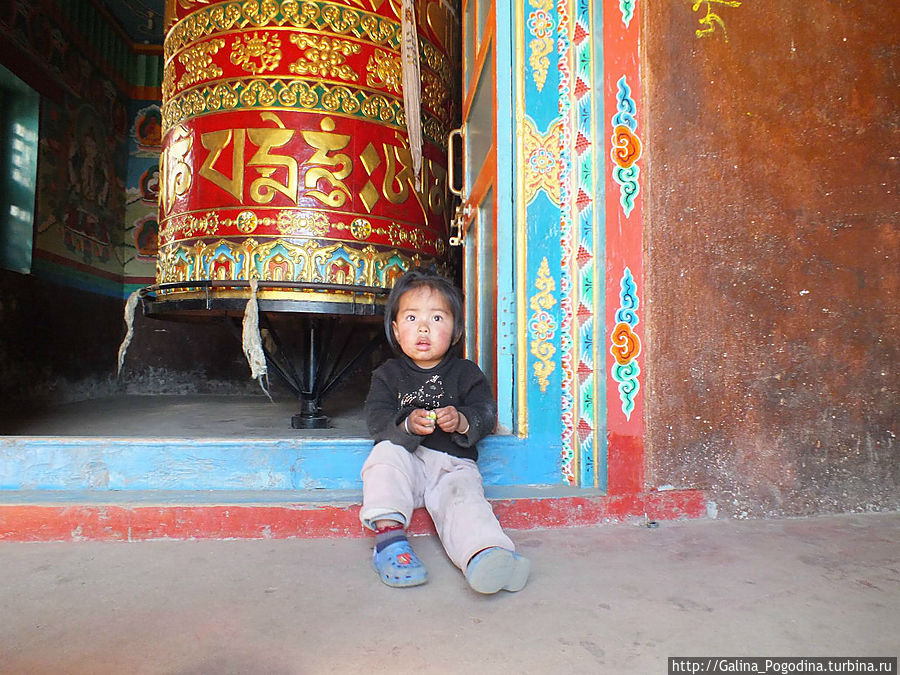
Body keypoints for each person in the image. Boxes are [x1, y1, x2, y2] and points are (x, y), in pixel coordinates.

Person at [359, 267, 530, 594]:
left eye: (437, 318)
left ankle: (485, 556)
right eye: (411, 318)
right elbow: (376, 419)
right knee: (383, 457)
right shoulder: (387, 374)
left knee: (464, 498)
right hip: (407, 460)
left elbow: (485, 412)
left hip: (451, 464)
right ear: (395, 329)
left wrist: (463, 420)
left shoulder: (466, 373)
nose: (423, 327)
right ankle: (390, 543)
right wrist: (406, 424)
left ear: (456, 331)